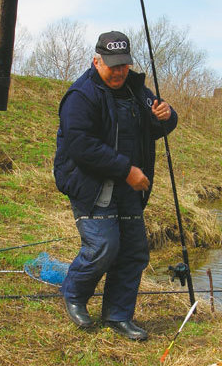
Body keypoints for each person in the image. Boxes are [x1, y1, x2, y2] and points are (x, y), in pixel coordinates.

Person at [54, 31, 178, 341]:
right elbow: (82, 145)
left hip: (128, 186)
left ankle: (118, 315)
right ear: (96, 61)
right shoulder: (80, 96)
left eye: (123, 65)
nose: (119, 71)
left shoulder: (137, 91)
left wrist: (166, 115)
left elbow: (159, 125)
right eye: (112, 65)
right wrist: (127, 170)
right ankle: (74, 294)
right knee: (104, 246)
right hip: (90, 185)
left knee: (134, 253)